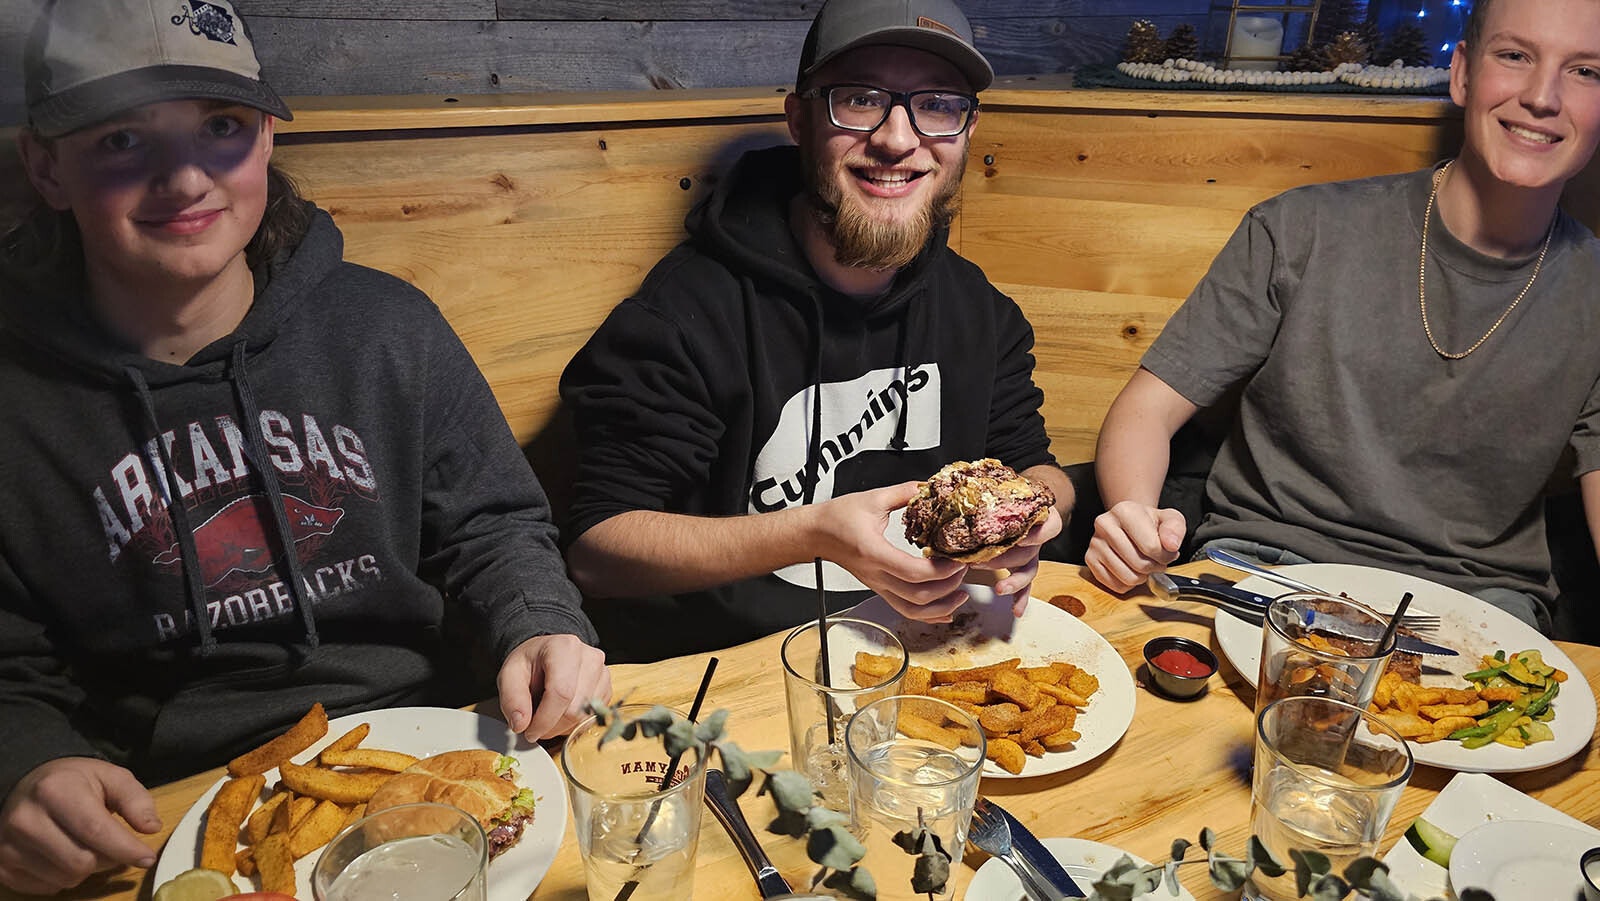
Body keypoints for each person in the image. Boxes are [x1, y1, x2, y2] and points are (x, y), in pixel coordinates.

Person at [0, 1, 610, 893]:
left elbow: (494, 529)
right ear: (46, 166)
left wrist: (541, 621)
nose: (185, 180)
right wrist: (31, 765)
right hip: (152, 807)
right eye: (122, 140)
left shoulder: (386, 327)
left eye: (220, 127)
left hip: (431, 744)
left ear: (269, 135)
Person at [559, 0, 1072, 662]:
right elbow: (599, 551)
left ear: (968, 128)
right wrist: (810, 534)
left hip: (929, 658)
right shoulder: (688, 311)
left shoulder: (980, 309)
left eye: (938, 104)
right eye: (860, 99)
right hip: (738, 678)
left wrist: (1036, 513)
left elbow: (1039, 468)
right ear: (800, 118)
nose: (896, 138)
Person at [1084, 0, 1600, 633]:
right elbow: (1146, 411)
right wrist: (1135, 519)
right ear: (1463, 74)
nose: (1542, 96)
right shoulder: (1302, 229)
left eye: (1585, 71)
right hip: (1261, 573)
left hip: (1475, 611)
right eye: (1515, 55)